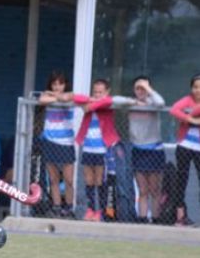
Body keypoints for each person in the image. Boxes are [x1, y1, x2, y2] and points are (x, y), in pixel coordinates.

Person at [114, 76, 166, 223]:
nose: (141, 90)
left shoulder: (152, 103)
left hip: (154, 150)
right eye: (138, 88)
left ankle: (156, 219)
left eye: (144, 88)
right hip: (138, 150)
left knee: (154, 189)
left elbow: (161, 103)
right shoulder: (131, 104)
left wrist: (149, 90)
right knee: (142, 190)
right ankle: (142, 218)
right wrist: (133, 101)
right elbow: (114, 100)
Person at [73, 79, 119, 221]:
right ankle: (91, 209)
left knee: (100, 181)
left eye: (100, 92)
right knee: (89, 180)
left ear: (107, 92)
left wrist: (92, 102)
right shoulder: (90, 102)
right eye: (95, 92)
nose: (98, 95)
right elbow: (76, 99)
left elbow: (106, 102)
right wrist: (90, 100)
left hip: (102, 149)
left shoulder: (107, 104)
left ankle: (101, 211)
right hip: (88, 147)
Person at [37, 71, 77, 218]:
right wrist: (53, 97)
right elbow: (42, 100)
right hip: (49, 141)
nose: (57, 86)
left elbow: (67, 98)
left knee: (68, 180)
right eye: (54, 84)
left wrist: (53, 96)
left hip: (66, 143)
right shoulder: (46, 95)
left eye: (60, 83)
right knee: (53, 179)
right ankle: (57, 207)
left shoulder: (71, 95)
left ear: (65, 84)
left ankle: (69, 208)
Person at [169, 73, 200, 227]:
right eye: (195, 87)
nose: (198, 90)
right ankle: (180, 217)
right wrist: (191, 118)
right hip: (185, 146)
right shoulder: (186, 100)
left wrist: (189, 112)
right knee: (182, 181)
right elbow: (174, 110)